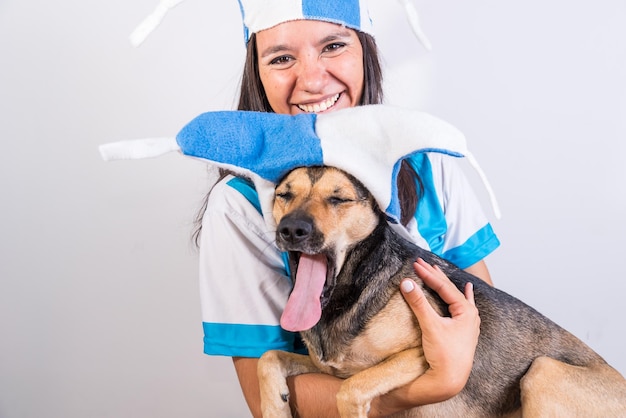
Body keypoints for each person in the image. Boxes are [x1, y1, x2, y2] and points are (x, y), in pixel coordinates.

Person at [136, 1, 500, 416]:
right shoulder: (238, 209)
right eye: (282, 57)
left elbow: (487, 320)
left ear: (366, 51)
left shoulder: (425, 166)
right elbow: (266, 402)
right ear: (256, 72)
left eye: (333, 46)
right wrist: (433, 383)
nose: (312, 80)